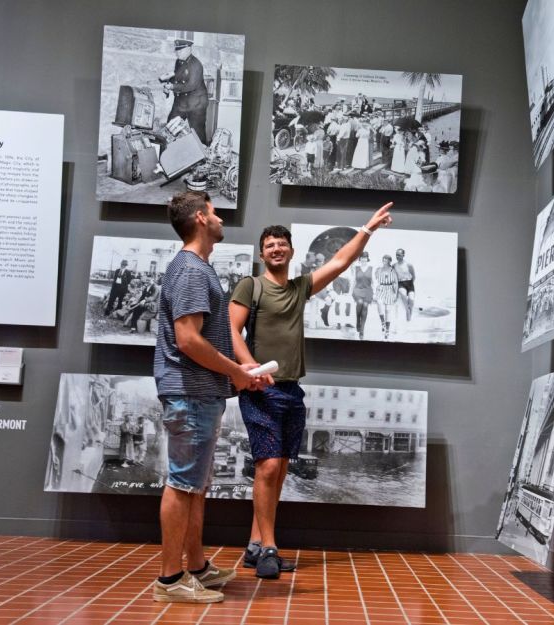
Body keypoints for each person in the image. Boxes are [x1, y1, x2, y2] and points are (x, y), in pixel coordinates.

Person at [228, 202, 394, 580]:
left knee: (280, 468)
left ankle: (255, 544)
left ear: (290, 251)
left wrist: (367, 229)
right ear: (261, 252)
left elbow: (339, 262)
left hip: (292, 393)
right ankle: (269, 547)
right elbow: (231, 331)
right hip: (259, 391)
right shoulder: (249, 286)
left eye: (281, 244)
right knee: (268, 466)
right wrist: (249, 368)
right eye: (269, 244)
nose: (275, 249)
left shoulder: (300, 288)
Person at [152, 190, 269, 603]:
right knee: (184, 484)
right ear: (201, 218)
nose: (221, 219)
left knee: (195, 485)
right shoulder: (190, 270)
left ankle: (196, 566)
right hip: (189, 392)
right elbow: (187, 339)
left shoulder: (197, 268)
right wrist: (237, 372)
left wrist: (239, 372)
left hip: (199, 392)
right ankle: (170, 580)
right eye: (216, 213)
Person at [160, 39, 209, 145]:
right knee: (170, 126)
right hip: (181, 102)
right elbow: (178, 77)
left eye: (180, 51)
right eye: (176, 51)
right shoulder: (179, 61)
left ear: (188, 49)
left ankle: (202, 156)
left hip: (196, 103)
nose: (177, 53)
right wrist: (168, 84)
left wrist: (172, 86)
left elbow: (191, 85)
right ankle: (168, 151)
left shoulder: (196, 64)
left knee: (197, 133)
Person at [373, 254, 399, 339]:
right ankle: (382, 323)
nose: (384, 261)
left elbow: (395, 283)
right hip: (381, 288)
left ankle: (387, 330)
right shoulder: (378, 270)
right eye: (383, 259)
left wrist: (396, 294)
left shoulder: (393, 271)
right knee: (379, 303)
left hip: (390, 289)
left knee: (388, 310)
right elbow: (375, 280)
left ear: (389, 261)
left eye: (386, 260)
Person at [351, 252, 374, 339]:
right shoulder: (356, 268)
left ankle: (362, 330)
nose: (363, 259)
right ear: (360, 259)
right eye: (362, 257)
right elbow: (353, 280)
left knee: (365, 305)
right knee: (360, 302)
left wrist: (374, 293)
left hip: (368, 290)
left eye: (365, 257)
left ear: (367, 259)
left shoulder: (371, 268)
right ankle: (357, 320)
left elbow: (373, 282)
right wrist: (351, 291)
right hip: (358, 289)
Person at [394, 248, 416, 322]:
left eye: (399, 255)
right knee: (403, 294)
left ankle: (408, 320)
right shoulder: (394, 265)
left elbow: (414, 276)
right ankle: (407, 311)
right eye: (396, 255)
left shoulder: (409, 265)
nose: (397, 256)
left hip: (410, 284)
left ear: (403, 255)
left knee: (411, 301)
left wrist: (410, 285)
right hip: (401, 283)